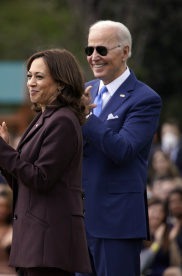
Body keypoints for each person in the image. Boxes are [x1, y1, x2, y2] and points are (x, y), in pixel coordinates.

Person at [0, 48, 91, 275]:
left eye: (39, 77)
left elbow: (40, 179)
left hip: (49, 242)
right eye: (29, 76)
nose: (31, 83)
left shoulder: (62, 121)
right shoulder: (43, 117)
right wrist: (2, 151)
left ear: (61, 84)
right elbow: (25, 183)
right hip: (35, 241)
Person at [78, 20, 162, 276]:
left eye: (101, 49)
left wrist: (86, 119)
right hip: (78, 221)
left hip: (116, 222)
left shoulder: (145, 98)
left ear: (125, 52)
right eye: (89, 50)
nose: (94, 57)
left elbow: (123, 149)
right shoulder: (84, 93)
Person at [140, 198, 171, 276]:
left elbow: (174, 262)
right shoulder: (140, 234)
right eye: (153, 210)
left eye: (161, 211)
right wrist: (157, 243)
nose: (157, 214)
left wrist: (172, 240)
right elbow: (142, 264)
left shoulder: (169, 231)